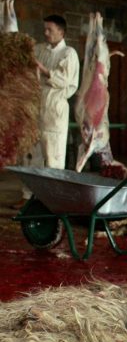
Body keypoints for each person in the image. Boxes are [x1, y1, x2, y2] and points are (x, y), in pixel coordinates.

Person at [21, 14, 79, 203]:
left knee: (53, 156)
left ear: (61, 32)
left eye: (50, 30)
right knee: (32, 156)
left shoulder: (69, 54)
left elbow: (66, 81)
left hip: (55, 110)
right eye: (45, 29)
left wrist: (44, 70)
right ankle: (28, 197)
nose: (45, 33)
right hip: (36, 109)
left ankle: (53, 201)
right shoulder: (40, 49)